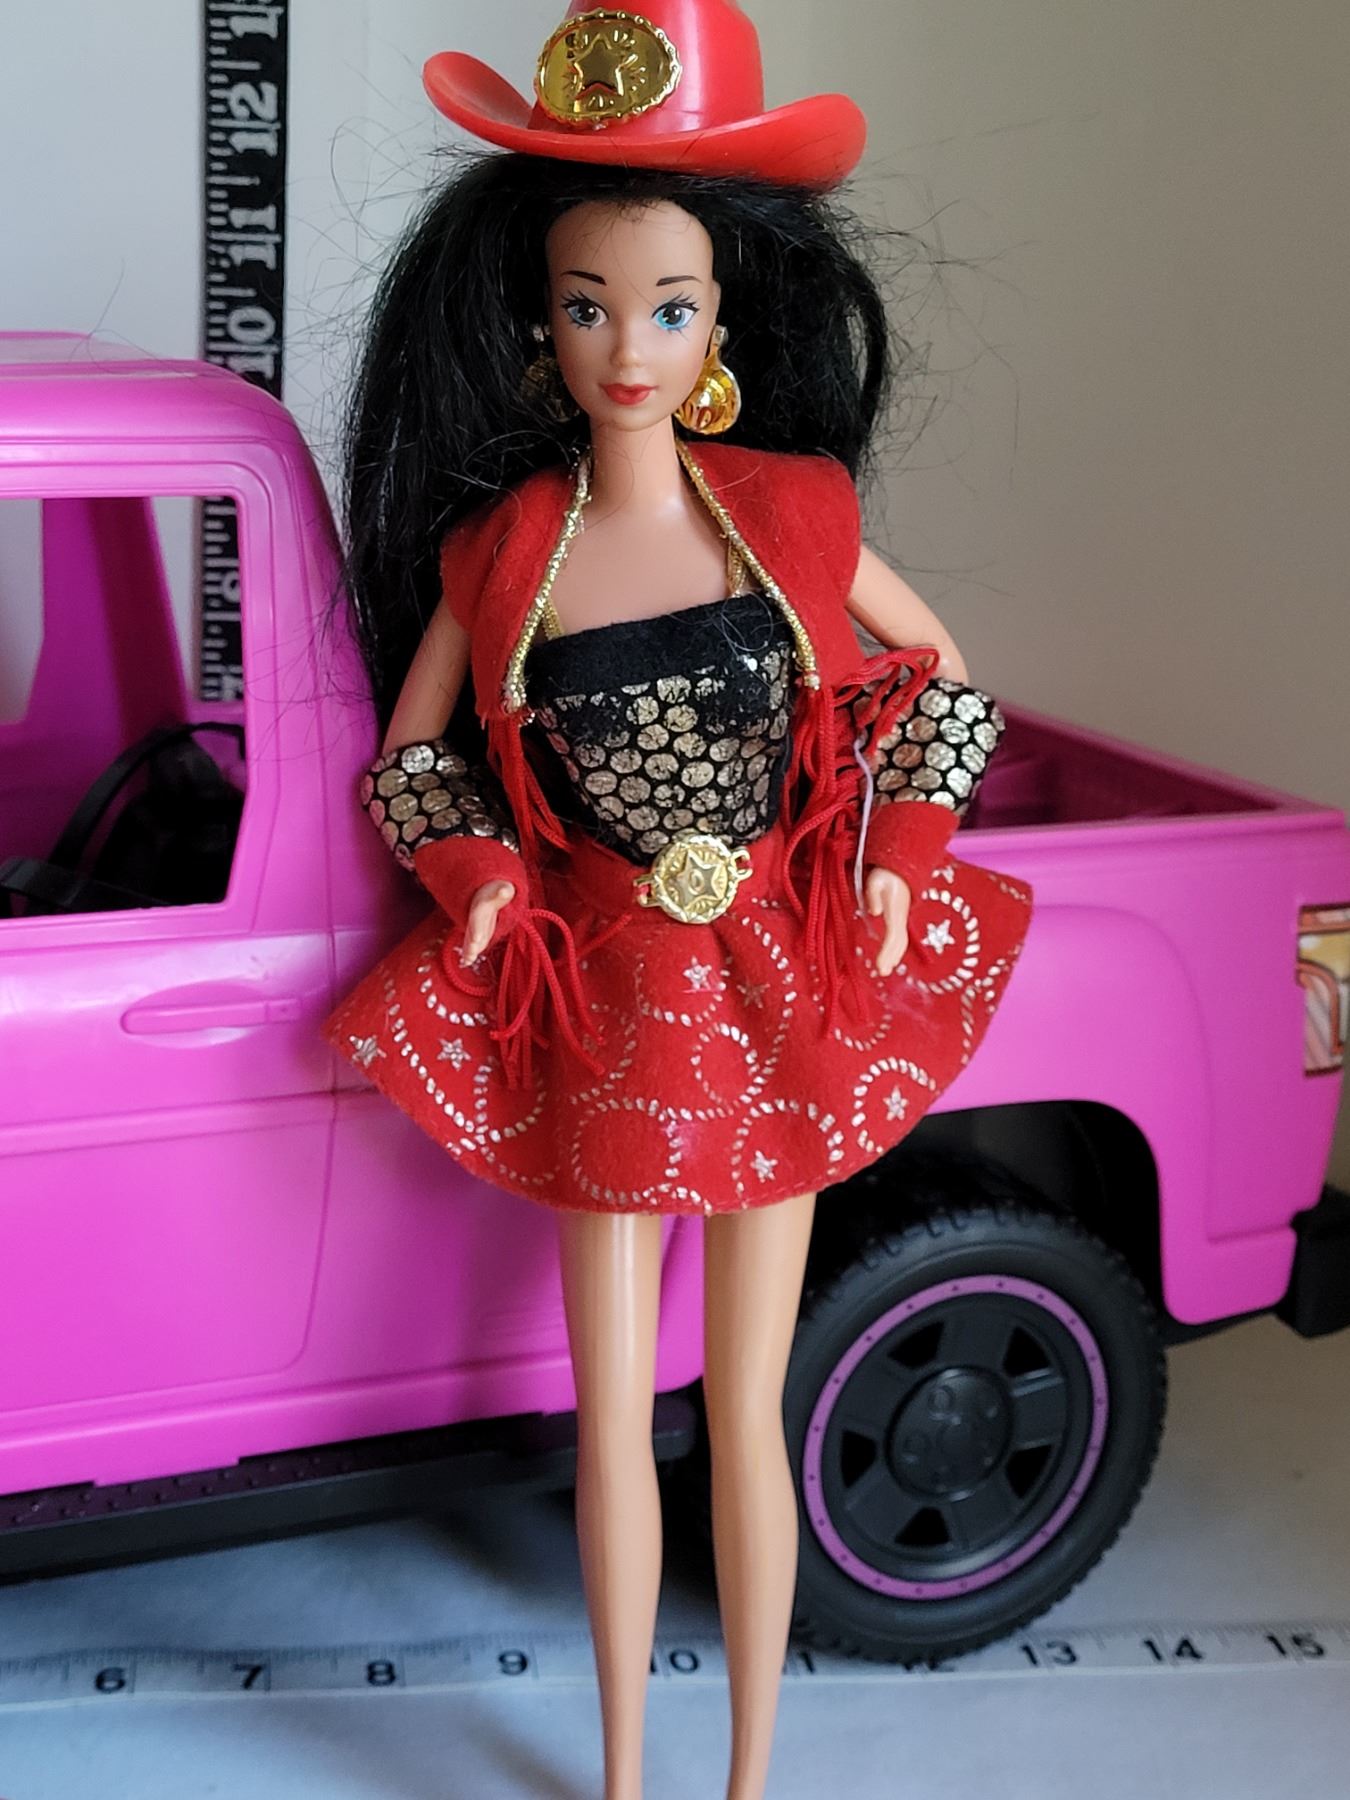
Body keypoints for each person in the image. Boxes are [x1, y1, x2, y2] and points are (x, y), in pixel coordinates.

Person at [322, 5, 1034, 1796]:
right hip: (603, 1000)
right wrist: (482, 880)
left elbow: (940, 682)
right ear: (536, 322)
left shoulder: (791, 511)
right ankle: (630, 1771)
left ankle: (747, 1772)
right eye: (587, 306)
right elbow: (413, 762)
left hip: (783, 982)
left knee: (745, 1406)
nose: (624, 345)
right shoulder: (502, 549)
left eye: (665, 308)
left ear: (721, 326)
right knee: (611, 1421)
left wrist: (899, 856)